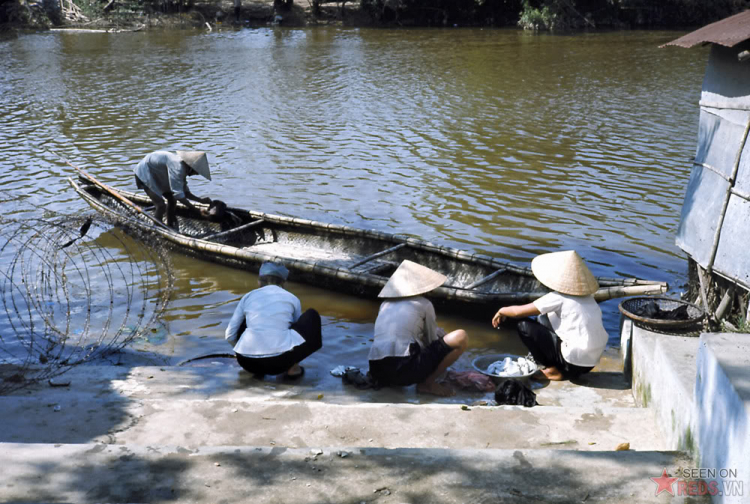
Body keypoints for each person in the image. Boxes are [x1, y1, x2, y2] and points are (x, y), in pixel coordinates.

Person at [491, 250, 607, 381]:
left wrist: (502, 310)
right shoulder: (588, 298)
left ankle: (553, 369)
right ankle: (563, 368)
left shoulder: (558, 297)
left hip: (573, 361)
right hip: (590, 362)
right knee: (542, 317)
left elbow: (518, 312)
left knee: (523, 326)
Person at [368, 260, 468, 397]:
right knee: (460, 336)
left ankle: (414, 380)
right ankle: (428, 384)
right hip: (404, 368)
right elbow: (432, 341)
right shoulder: (424, 304)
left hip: (377, 370)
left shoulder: (385, 304)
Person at [225, 262, 322, 379]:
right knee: (312, 315)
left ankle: (253, 361)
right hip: (279, 363)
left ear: (259, 282)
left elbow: (229, 335)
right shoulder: (292, 298)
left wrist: (242, 350)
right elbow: (297, 336)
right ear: (283, 282)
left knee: (247, 320)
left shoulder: (247, 297)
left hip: (246, 362)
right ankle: (293, 368)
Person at [133, 150, 213, 232]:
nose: (195, 174)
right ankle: (156, 230)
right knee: (160, 206)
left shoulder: (182, 168)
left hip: (159, 174)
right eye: (196, 172)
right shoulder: (178, 167)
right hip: (145, 172)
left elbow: (185, 192)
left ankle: (170, 225)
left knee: (172, 201)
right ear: (192, 167)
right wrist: (195, 209)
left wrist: (200, 200)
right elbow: (179, 196)